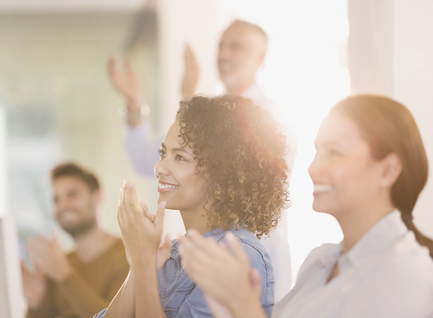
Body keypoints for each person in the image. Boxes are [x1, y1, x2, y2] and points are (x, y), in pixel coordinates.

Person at [178, 94, 433, 318]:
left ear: (388, 170)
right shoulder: (319, 262)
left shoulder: (408, 276)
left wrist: (243, 304)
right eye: (317, 151)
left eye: (335, 152)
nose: (313, 168)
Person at [108, 19, 296, 301]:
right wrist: (135, 104)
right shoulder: (208, 114)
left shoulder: (270, 120)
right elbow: (146, 159)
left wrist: (191, 102)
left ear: (261, 58)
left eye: (237, 47)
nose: (224, 54)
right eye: (221, 45)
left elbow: (237, 177)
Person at [93, 94, 290, 318]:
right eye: (163, 153)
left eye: (180, 158)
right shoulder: (167, 255)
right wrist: (139, 267)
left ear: (221, 174)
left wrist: (143, 265)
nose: (159, 168)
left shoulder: (238, 254)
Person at [22, 163, 129, 318]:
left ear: (97, 197)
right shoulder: (60, 262)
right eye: (56, 199)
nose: (63, 205)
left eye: (72, 195)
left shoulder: (128, 255)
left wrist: (65, 275)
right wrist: (36, 300)